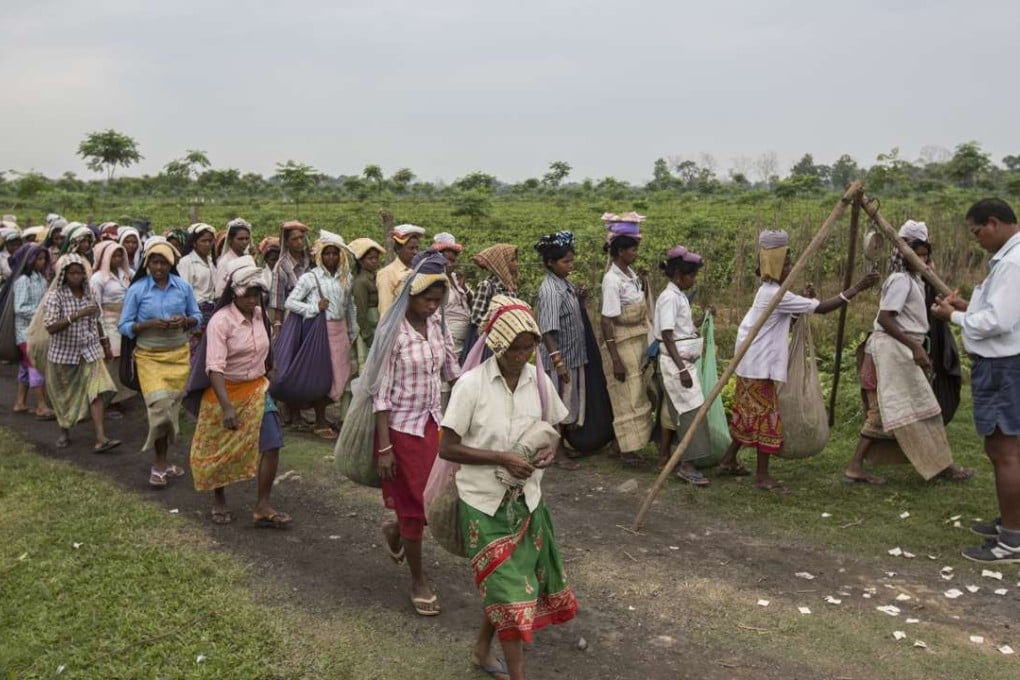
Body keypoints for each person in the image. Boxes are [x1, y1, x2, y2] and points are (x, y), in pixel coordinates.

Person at [440, 296, 578, 680]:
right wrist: (501, 458)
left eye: (528, 347)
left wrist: (550, 452)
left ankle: (483, 649)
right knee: (508, 589)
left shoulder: (540, 380)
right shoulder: (471, 386)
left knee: (509, 585)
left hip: (527, 500)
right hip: (483, 502)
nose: (522, 355)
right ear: (496, 346)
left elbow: (554, 430)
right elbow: (447, 447)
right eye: (514, 348)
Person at [717, 230, 878, 493]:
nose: (791, 268)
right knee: (765, 417)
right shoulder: (774, 295)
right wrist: (857, 288)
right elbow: (823, 308)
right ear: (776, 266)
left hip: (752, 362)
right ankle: (761, 476)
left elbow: (785, 322)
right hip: (757, 365)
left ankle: (728, 460)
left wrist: (803, 299)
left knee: (749, 414)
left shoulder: (772, 292)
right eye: (788, 264)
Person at [844, 221, 972, 485]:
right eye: (918, 255)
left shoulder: (914, 280)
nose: (923, 260)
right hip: (892, 351)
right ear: (905, 255)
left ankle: (941, 464)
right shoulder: (901, 280)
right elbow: (886, 318)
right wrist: (915, 347)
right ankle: (856, 467)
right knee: (888, 413)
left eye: (926, 255)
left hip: (901, 349)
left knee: (923, 408)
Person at [932, 198, 1020, 564]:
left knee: (1004, 452)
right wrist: (968, 307)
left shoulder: (1014, 263)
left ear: (994, 223)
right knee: (1007, 449)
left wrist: (953, 317)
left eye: (977, 231)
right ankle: (1011, 522)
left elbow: (998, 322)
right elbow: (1001, 312)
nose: (977, 239)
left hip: (1003, 366)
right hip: (1004, 364)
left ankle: (1012, 541)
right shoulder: (1006, 261)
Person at [374, 251, 460, 617]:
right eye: (427, 299)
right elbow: (380, 392)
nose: (432, 306)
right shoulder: (393, 333)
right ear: (410, 295)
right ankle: (418, 581)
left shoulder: (437, 326)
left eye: (437, 301)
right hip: (403, 430)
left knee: (435, 498)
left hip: (433, 424)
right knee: (416, 506)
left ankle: (396, 530)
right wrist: (384, 447)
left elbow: (452, 369)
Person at [190, 256, 290, 528]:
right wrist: (227, 407)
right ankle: (219, 499)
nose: (253, 299)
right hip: (226, 392)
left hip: (257, 389)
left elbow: (265, 350)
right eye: (248, 293)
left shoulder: (261, 317)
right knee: (222, 450)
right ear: (234, 292)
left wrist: (271, 368)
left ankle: (262, 505)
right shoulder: (221, 322)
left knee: (272, 444)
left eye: (258, 293)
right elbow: (214, 368)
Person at [119, 241, 202, 488]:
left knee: (170, 411)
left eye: (163, 262)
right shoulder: (138, 290)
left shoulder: (182, 287)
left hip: (178, 355)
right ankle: (158, 463)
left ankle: (165, 462)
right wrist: (148, 324)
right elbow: (124, 325)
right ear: (147, 264)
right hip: (149, 356)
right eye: (154, 262)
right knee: (160, 407)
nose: (159, 267)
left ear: (171, 264)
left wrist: (184, 320)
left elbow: (197, 318)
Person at [284, 231, 358, 438]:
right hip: (319, 330)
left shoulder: (346, 277)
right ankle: (320, 420)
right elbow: (290, 302)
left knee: (340, 375)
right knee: (322, 375)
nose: (331, 258)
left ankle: (322, 415)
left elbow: (350, 306)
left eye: (335, 254)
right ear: (320, 256)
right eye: (327, 254)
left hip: (340, 330)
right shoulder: (310, 277)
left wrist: (352, 330)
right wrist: (314, 307)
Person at [43, 254, 121, 451]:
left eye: (79, 273)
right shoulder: (55, 296)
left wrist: (105, 345)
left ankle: (101, 437)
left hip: (90, 351)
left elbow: (97, 320)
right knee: (64, 396)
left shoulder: (89, 294)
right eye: (72, 273)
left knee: (98, 390)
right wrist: (77, 315)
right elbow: (51, 326)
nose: (76, 277)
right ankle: (64, 431)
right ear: (64, 275)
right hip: (64, 355)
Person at [654, 245, 711, 486]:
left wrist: (704, 317)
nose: (693, 280)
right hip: (675, 364)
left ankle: (679, 458)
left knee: (685, 410)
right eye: (691, 276)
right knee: (690, 411)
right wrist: (681, 370)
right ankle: (687, 464)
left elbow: (681, 329)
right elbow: (667, 336)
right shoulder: (669, 298)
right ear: (679, 275)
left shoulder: (678, 297)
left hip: (682, 360)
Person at [599, 213, 652, 465]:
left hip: (637, 341)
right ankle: (627, 450)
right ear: (620, 252)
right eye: (632, 249)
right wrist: (615, 359)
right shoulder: (611, 280)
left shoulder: (629, 274)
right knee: (627, 399)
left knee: (637, 394)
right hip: (622, 343)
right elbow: (606, 320)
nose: (635, 254)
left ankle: (627, 444)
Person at [534, 231, 589, 471]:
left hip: (572, 355)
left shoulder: (565, 284)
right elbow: (547, 330)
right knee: (557, 407)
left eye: (571, 260)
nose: (570, 265)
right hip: (560, 357)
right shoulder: (549, 291)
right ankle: (556, 452)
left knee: (567, 405)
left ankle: (561, 446)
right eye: (565, 261)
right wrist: (558, 362)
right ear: (550, 263)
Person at [90, 241, 136, 411]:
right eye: (114, 256)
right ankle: (107, 400)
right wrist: (103, 336)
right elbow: (97, 308)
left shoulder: (126, 273)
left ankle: (119, 397)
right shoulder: (98, 279)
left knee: (124, 358)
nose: (117, 259)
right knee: (112, 359)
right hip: (109, 323)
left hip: (126, 321)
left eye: (120, 255)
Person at [10, 244, 54, 419]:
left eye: (44, 259)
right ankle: (41, 405)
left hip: (36, 330)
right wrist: (40, 313)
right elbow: (19, 308)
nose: (42, 262)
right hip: (25, 332)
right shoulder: (23, 281)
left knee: (25, 366)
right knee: (35, 365)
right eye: (39, 259)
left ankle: (20, 402)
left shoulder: (40, 278)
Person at [177, 223, 218, 352]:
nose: (207, 244)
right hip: (196, 310)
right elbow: (183, 293)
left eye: (210, 241)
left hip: (212, 310)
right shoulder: (186, 262)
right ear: (194, 243)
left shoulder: (211, 262)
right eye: (203, 241)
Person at [348, 237, 385, 371]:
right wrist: (368, 336)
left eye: (376, 258)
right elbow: (361, 312)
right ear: (360, 261)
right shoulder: (361, 282)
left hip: (377, 325)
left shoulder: (376, 277)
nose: (374, 261)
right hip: (369, 328)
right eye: (370, 258)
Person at [433, 232, 473, 356]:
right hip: (448, 338)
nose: (451, 263)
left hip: (465, 339)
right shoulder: (434, 279)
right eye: (448, 260)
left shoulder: (456, 278)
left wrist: (464, 288)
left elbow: (473, 303)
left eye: (453, 260)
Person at [268, 221, 311, 334]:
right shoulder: (281, 267)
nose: (300, 242)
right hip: (294, 318)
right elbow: (278, 301)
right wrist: (278, 325)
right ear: (286, 242)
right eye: (294, 239)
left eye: (301, 237)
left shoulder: (312, 259)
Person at [376, 224, 425, 316]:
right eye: (411, 248)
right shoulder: (387, 273)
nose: (415, 252)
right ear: (398, 249)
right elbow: (385, 310)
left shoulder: (420, 269)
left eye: (417, 248)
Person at [469, 244, 519, 332]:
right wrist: (499, 327)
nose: (517, 263)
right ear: (502, 262)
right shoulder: (486, 286)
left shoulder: (510, 287)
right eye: (512, 260)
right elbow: (476, 318)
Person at [214, 218, 252, 298]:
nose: (244, 242)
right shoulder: (225, 262)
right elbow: (219, 292)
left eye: (247, 238)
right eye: (240, 239)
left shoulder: (248, 259)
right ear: (230, 240)